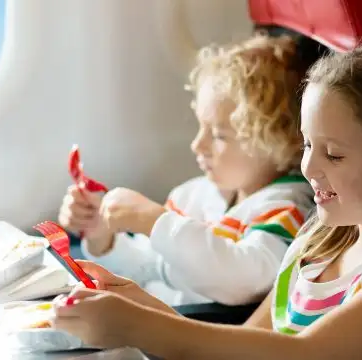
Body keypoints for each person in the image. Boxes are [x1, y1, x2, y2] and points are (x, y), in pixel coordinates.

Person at [53, 43, 362, 359]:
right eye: (308, 144)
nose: (308, 166)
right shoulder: (321, 239)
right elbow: (250, 343)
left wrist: (138, 325)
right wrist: (136, 303)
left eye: (334, 154)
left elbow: (307, 355)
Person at [57, 34, 314, 306]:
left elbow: (243, 282)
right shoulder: (196, 195)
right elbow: (147, 268)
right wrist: (101, 234)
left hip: (196, 331)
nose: (197, 145)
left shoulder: (287, 208)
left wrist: (155, 221)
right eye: (200, 127)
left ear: (276, 141)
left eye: (218, 135)